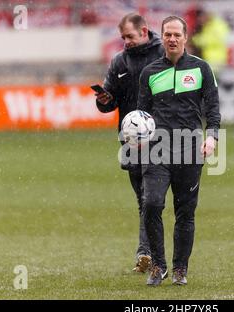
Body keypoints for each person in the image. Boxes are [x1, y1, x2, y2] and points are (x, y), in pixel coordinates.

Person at [137, 16, 221, 286]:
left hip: (190, 150)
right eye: (167, 34)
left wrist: (213, 137)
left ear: (186, 37)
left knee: (185, 213)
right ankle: (158, 266)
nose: (171, 39)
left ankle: (180, 269)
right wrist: (137, 137)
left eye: (176, 34)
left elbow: (213, 109)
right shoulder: (149, 72)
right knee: (151, 205)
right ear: (162, 37)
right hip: (156, 150)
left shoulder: (201, 69)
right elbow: (142, 113)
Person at [95, 13, 164, 273]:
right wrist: (104, 100)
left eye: (130, 37)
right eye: (123, 37)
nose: (126, 42)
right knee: (144, 200)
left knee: (152, 200)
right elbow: (110, 100)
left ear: (144, 31)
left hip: (162, 137)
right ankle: (149, 254)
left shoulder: (164, 55)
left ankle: (150, 253)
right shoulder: (119, 61)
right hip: (131, 140)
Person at [191, 8, 230, 77]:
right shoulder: (208, 25)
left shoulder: (217, 24)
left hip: (216, 59)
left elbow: (218, 39)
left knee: (213, 82)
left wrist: (198, 40)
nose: (200, 21)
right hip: (208, 58)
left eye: (201, 18)